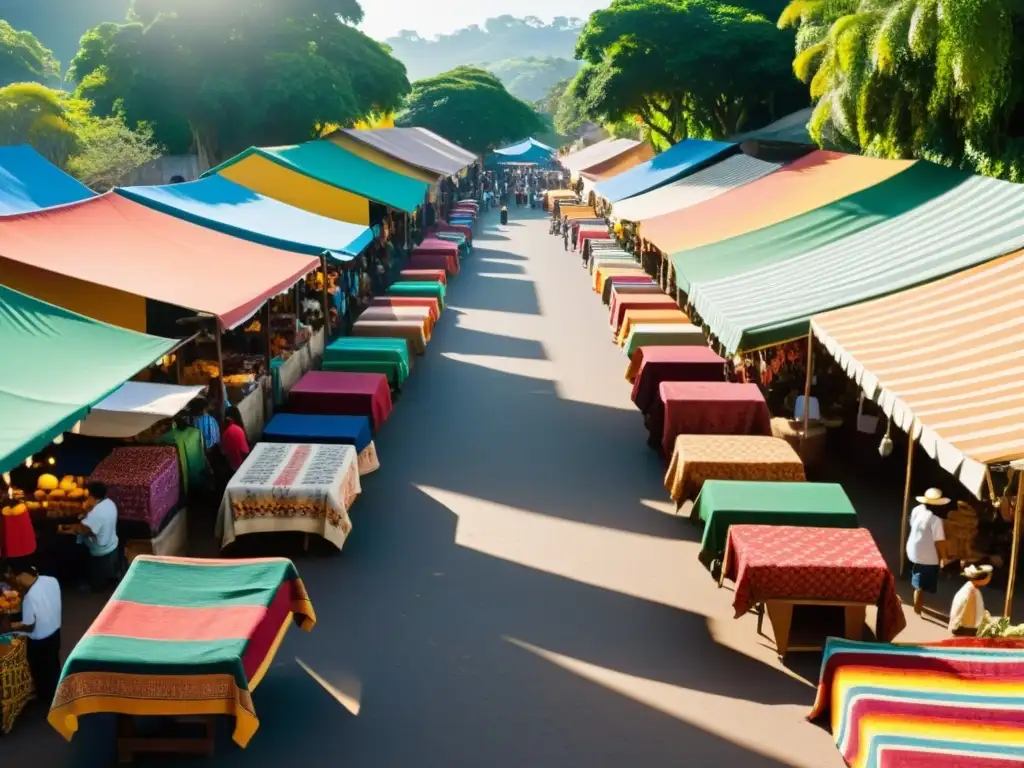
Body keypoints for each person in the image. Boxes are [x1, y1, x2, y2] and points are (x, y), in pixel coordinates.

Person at [5, 564, 62, 704]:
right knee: (53, 664)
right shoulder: (51, 580)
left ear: (19, 576)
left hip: (40, 640)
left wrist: (10, 627)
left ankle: (45, 699)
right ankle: (58, 692)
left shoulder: (29, 597)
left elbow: (29, 625)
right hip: (55, 631)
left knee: (41, 671)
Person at [59, 481, 121, 592]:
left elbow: (83, 530)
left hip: (101, 552)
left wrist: (65, 529)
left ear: (91, 495)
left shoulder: (97, 513)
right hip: (112, 545)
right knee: (110, 574)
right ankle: (110, 582)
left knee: (97, 581)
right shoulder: (110, 503)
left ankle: (95, 587)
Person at [905, 487, 951, 615]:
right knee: (922, 581)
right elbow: (940, 542)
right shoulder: (936, 521)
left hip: (912, 549)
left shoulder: (917, 510)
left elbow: (912, 525)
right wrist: (944, 557)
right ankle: (918, 602)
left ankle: (918, 592)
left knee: (918, 571)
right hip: (926, 557)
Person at [949, 564, 993, 636]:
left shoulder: (970, 587)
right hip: (965, 629)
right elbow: (969, 614)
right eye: (989, 577)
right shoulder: (972, 591)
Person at [221, 405, 250, 473]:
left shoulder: (225, 432)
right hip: (241, 466)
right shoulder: (238, 430)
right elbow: (245, 452)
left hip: (232, 467)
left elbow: (224, 452)